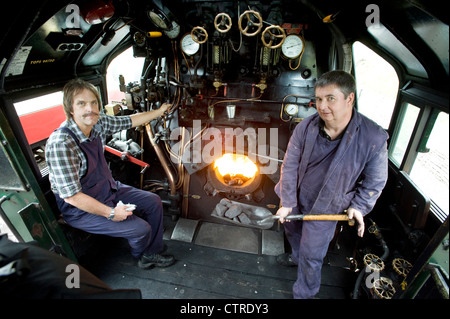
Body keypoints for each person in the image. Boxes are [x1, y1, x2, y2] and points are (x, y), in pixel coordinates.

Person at [274, 70, 388, 299]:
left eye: (330, 98)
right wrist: (287, 201)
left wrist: (359, 206)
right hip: (295, 197)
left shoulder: (373, 137)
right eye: (318, 99)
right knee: (292, 231)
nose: (322, 106)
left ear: (350, 98)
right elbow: (290, 164)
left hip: (327, 207)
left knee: (312, 253)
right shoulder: (305, 127)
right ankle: (295, 257)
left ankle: (304, 293)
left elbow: (375, 181)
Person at [45, 78, 174, 269]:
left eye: (93, 102)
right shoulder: (62, 144)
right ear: (70, 110)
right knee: (141, 229)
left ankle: (152, 248)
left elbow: (129, 120)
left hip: (108, 189)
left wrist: (159, 112)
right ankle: (144, 255)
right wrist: (111, 213)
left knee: (154, 202)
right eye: (81, 103)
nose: (90, 108)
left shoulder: (96, 123)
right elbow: (72, 197)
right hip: (81, 209)